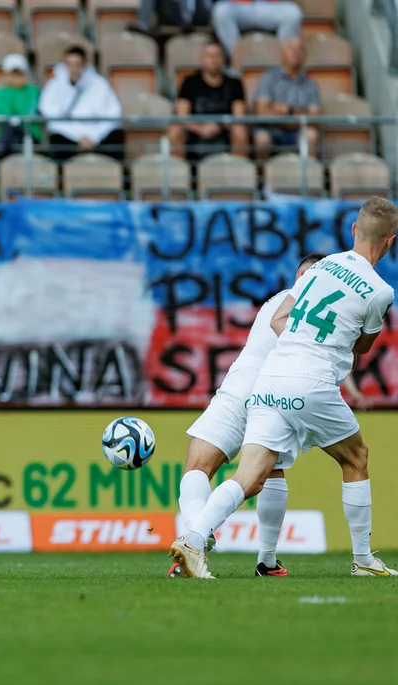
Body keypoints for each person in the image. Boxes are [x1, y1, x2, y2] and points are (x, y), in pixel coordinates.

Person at [170, 197, 398, 580]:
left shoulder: (319, 267)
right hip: (312, 381)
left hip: (270, 378)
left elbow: (280, 317)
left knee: (248, 477)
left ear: (354, 230)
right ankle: (362, 559)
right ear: (390, 242)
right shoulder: (381, 291)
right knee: (355, 459)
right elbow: (362, 347)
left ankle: (193, 540)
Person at [167, 252, 359, 579]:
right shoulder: (326, 312)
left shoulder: (276, 300)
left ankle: (196, 538)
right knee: (268, 473)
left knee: (197, 467)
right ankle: (230, 549)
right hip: (275, 391)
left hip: (239, 382)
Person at [38, 46, 124, 162]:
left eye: (77, 64)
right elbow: (51, 116)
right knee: (56, 139)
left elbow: (113, 112)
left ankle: (119, 172)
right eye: (70, 64)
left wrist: (94, 136)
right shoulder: (54, 86)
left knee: (116, 136)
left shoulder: (100, 84)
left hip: (97, 134)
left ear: (84, 65)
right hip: (68, 134)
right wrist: (78, 136)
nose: (73, 69)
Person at [169, 40, 248, 159]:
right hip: (194, 132)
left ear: (223, 59)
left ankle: (239, 169)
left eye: (217, 55)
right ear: (202, 58)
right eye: (209, 56)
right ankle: (179, 170)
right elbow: (182, 116)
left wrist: (218, 126)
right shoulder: (189, 82)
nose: (213, 59)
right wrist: (201, 129)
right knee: (175, 129)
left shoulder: (234, 84)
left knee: (240, 130)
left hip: (225, 131)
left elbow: (239, 116)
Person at [253, 37, 320, 159]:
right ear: (282, 53)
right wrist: (298, 115)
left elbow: (315, 117)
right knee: (261, 138)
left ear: (305, 56)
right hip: (271, 131)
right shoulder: (268, 78)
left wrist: (288, 111)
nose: (295, 52)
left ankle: (310, 171)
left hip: (297, 132)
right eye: (291, 48)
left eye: (300, 49)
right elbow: (262, 112)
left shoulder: (311, 85)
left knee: (311, 135)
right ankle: (261, 171)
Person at [0, 53, 41, 160]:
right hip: (7, 135)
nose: (16, 78)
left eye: (19, 74)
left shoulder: (33, 91)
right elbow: (3, 112)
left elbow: (31, 112)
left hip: (28, 132)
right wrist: (16, 117)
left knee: (12, 127)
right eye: (13, 74)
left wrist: (16, 117)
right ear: (6, 75)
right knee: (9, 126)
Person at [211, 0, 303, 56]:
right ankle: (236, 58)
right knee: (221, 11)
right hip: (238, 5)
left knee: (293, 13)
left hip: (271, 5)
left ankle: (283, 62)